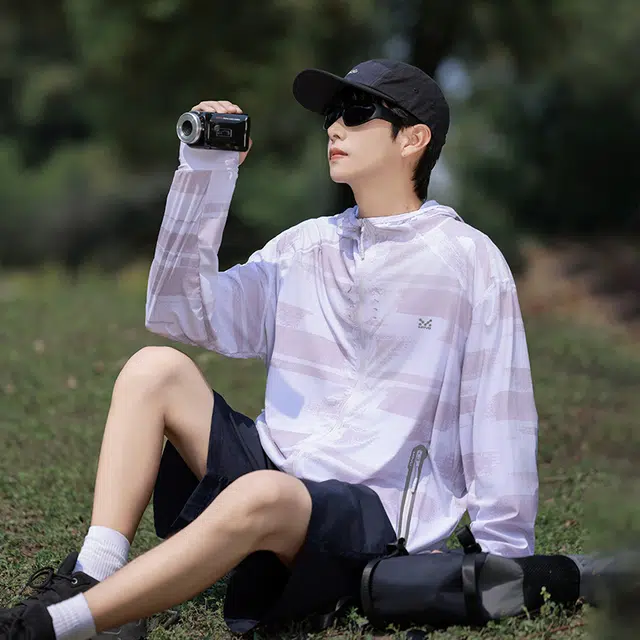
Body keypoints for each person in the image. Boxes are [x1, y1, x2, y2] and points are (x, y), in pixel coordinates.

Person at [0, 58, 539, 640]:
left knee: (264, 492)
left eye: (357, 112)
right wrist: (206, 175)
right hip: (274, 473)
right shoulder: (304, 247)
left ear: (414, 139)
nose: (335, 127)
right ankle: (91, 575)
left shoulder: (468, 261)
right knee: (153, 370)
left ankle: (49, 629)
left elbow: (498, 414)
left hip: (372, 518)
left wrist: (502, 562)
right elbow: (179, 311)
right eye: (332, 114)